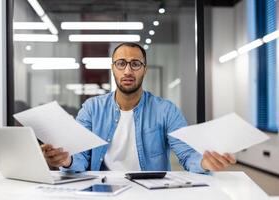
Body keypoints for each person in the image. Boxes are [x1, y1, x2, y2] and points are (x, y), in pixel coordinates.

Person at [41, 42, 236, 173]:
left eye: (135, 64)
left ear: (144, 68)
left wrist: (204, 162)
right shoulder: (92, 108)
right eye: (121, 63)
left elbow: (187, 155)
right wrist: (65, 160)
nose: (127, 70)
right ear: (113, 68)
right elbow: (80, 158)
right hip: (103, 190)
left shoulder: (166, 110)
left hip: (150, 193)